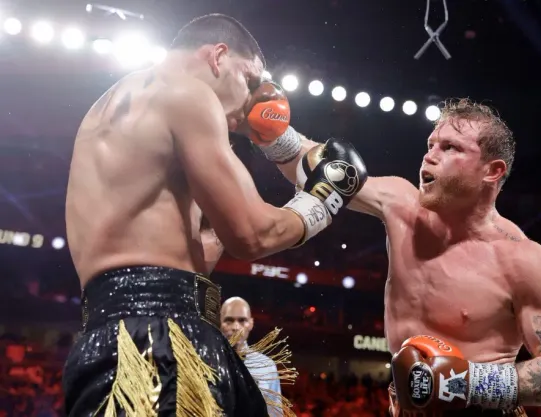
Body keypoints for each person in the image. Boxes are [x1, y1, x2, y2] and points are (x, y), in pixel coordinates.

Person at [63, 13, 367, 417]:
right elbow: (252, 234)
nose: (251, 101)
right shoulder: (188, 93)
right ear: (218, 57)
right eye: (250, 81)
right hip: (158, 341)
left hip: (111, 334)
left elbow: (188, 258)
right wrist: (321, 201)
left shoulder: (110, 108)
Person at [247, 94, 541, 416]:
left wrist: (464, 383)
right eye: (431, 145)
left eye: (450, 147)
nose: (430, 155)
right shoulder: (401, 206)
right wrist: (269, 126)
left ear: (492, 171)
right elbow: (322, 169)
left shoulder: (523, 260)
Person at [220, 297, 287, 417]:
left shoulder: (266, 366)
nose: (236, 327)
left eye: (242, 321)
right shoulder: (206, 361)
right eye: (229, 320)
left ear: (251, 323)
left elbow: (274, 414)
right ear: (219, 322)